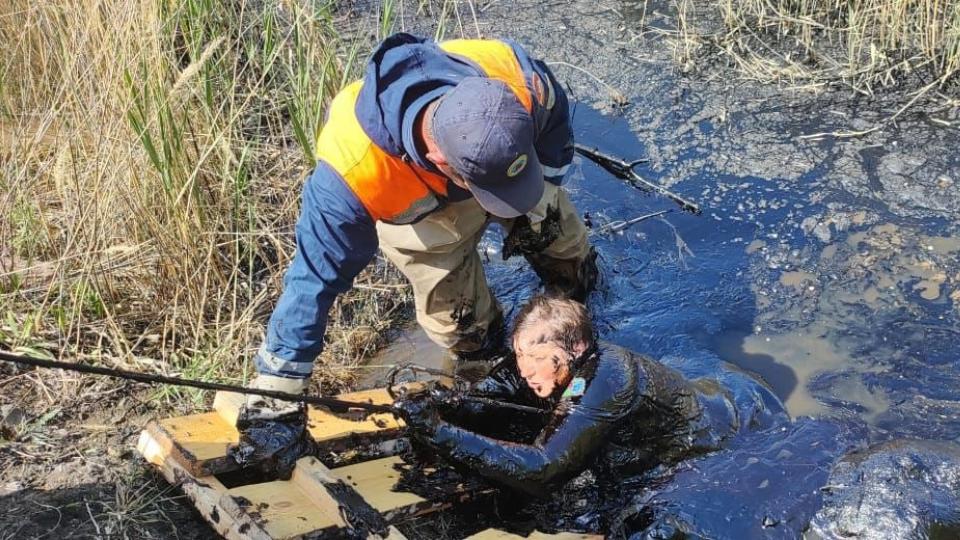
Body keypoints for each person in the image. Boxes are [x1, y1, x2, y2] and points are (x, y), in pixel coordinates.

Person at [230, 34, 597, 478]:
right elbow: (312, 283)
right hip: (420, 211)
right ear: (441, 159)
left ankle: (572, 303)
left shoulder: (517, 80)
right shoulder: (353, 172)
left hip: (511, 165)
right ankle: (490, 367)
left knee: (562, 242)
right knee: (464, 326)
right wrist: (276, 396)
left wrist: (543, 191)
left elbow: (554, 128)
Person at [394, 295, 788, 497]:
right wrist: (451, 406)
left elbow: (542, 471)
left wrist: (439, 433)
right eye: (519, 357)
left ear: (576, 349)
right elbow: (497, 390)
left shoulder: (607, 381)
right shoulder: (554, 362)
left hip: (729, 432)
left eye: (537, 360)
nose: (525, 369)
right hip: (709, 390)